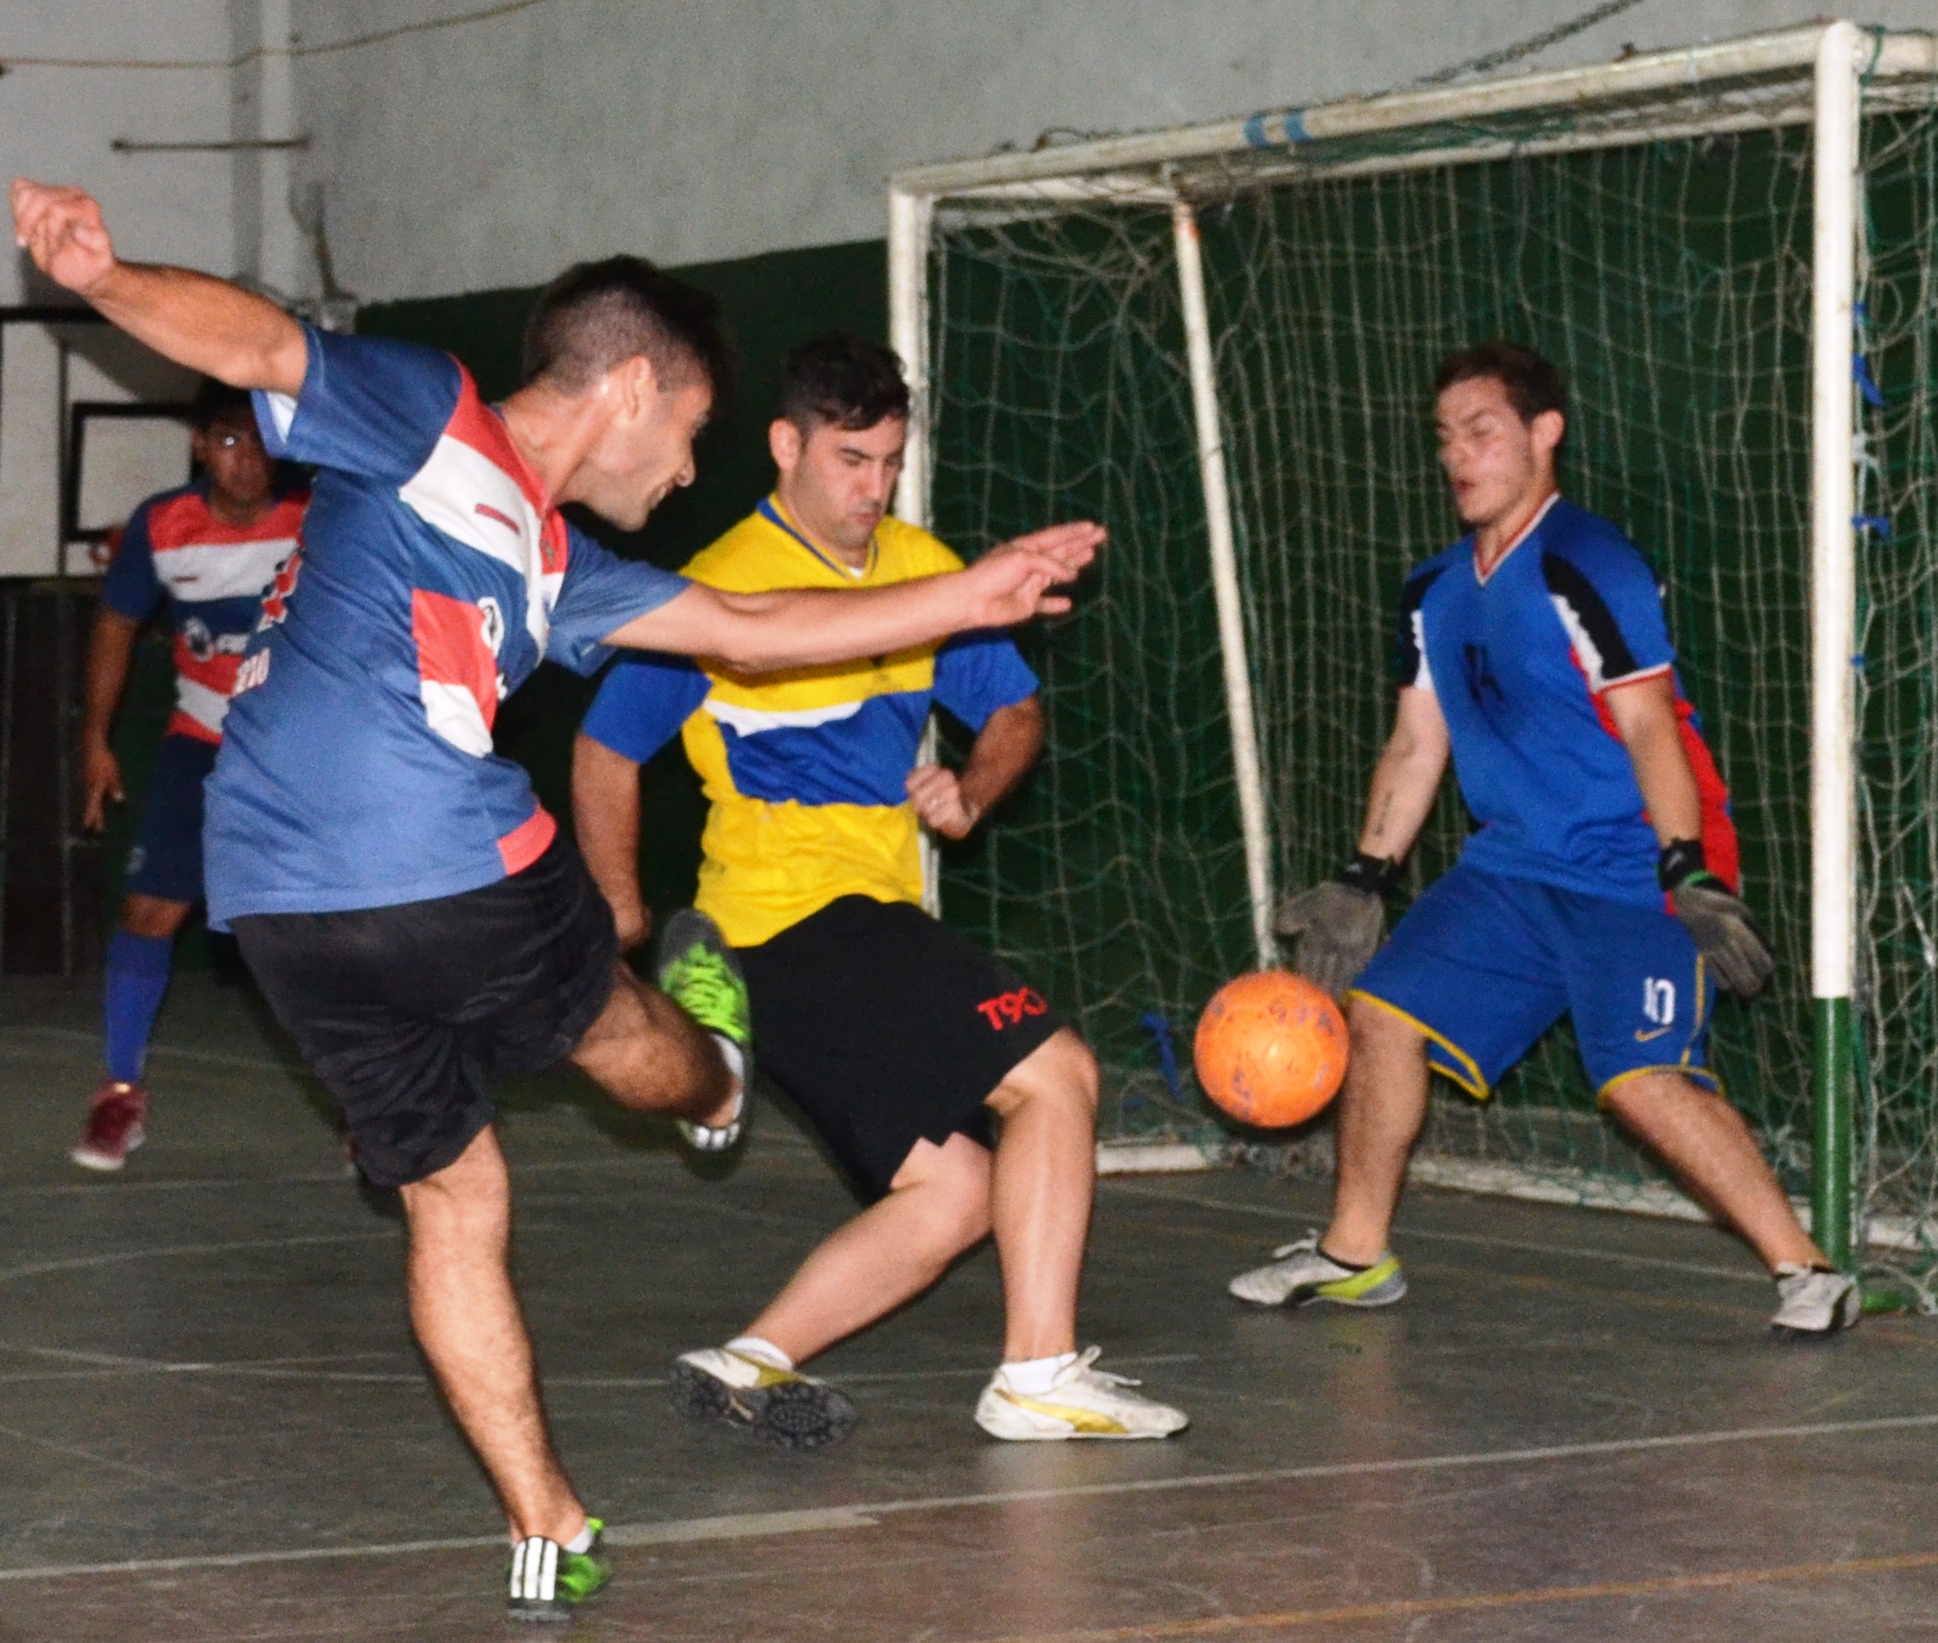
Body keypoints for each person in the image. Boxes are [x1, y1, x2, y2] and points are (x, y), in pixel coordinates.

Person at [14, 178, 1097, 1623]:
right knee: (615, 1028)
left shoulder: (562, 562)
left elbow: (749, 626)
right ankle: (716, 1079)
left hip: (275, 903)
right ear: (632, 384)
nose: (691, 466)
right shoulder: (431, 413)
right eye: (694, 429)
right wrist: (103, 279)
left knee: (453, 1193)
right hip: (441, 852)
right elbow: (263, 343)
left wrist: (966, 596)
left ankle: (546, 1522)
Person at [573, 332, 1187, 1449]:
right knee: (1056, 1073)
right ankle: (1037, 1375)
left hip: (854, 927)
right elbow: (605, 748)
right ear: (784, 445)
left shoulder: (923, 567)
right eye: (850, 459)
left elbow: (1013, 709)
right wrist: (619, 904)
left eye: (891, 461)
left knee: (956, 1191)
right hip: (791, 919)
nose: (874, 486)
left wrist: (973, 787)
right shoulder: (718, 588)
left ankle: (749, 1358)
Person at [1232, 341, 1860, 1341]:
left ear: (1543, 433)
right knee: (1383, 1015)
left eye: (1481, 431)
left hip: (1635, 865)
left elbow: (1649, 724)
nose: (1457, 455)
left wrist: (1687, 868)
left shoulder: (1586, 561)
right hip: (1510, 866)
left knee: (1640, 1081)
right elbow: (1416, 741)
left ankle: (1808, 1267)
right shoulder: (1433, 590)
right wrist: (1364, 874)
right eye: (1445, 437)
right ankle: (1355, 1253)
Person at [72, 382, 306, 1170]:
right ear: (202, 445)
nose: (249, 461)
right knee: (147, 912)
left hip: (301, 755)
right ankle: (118, 1093)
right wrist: (96, 739)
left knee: (333, 928)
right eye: (231, 440)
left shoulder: (316, 520)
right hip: (200, 746)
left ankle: (371, 1108)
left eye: (262, 441)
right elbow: (116, 625)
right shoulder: (163, 524)